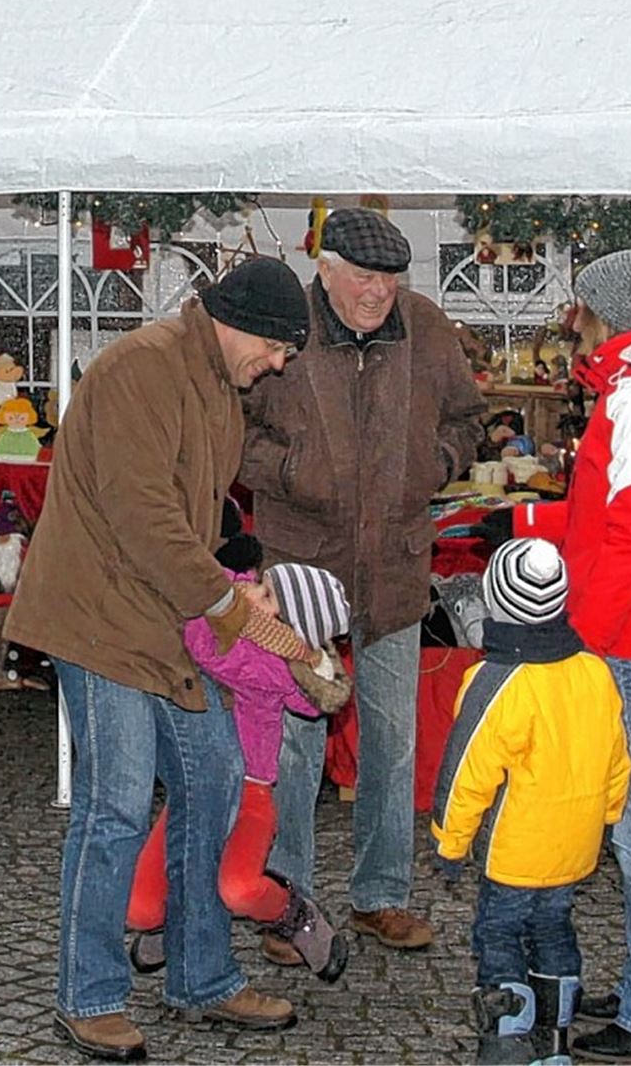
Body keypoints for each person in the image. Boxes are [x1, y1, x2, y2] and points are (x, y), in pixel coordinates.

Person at [6, 255, 311, 1065]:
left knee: (212, 781)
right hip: (99, 619)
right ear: (242, 325)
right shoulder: (144, 368)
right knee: (114, 806)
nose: (278, 366)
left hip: (163, 620)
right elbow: (143, 517)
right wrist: (227, 604)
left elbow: (199, 514)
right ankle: (90, 993)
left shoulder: (215, 384)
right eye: (279, 349)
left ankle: (203, 977)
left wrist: (237, 580)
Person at [240, 207, 484, 954]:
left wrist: (435, 467)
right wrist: (286, 469)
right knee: (295, 741)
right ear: (327, 268)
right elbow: (229, 425)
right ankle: (288, 900)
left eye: (389, 280)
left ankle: (382, 894)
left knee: (393, 738)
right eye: (363, 278)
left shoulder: (426, 328)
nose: (378, 294)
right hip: (299, 569)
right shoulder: (284, 323)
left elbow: (470, 420)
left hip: (396, 568)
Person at [486, 249, 631, 1063]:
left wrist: (583, 639)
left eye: (584, 304)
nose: (575, 317)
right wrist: (529, 527)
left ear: (616, 311)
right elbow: (608, 515)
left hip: (626, 640)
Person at [432, 537, 630, 1065]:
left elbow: (465, 774)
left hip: (514, 852)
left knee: (498, 934)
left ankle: (507, 1045)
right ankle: (556, 1041)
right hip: (576, 846)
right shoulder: (594, 672)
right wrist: (608, 817)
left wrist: (450, 843)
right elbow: (617, 756)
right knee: (554, 929)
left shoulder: (495, 682)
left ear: (497, 605)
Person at [127, 558, 353, 985]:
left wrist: (303, 655)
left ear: (287, 627)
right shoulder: (238, 601)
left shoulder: (274, 666)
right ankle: (175, 924)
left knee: (240, 888)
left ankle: (295, 913)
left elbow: (205, 644)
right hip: (195, 784)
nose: (251, 592)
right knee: (138, 909)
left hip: (251, 791)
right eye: (260, 583)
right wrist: (224, 589)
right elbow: (217, 588)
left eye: (266, 597)